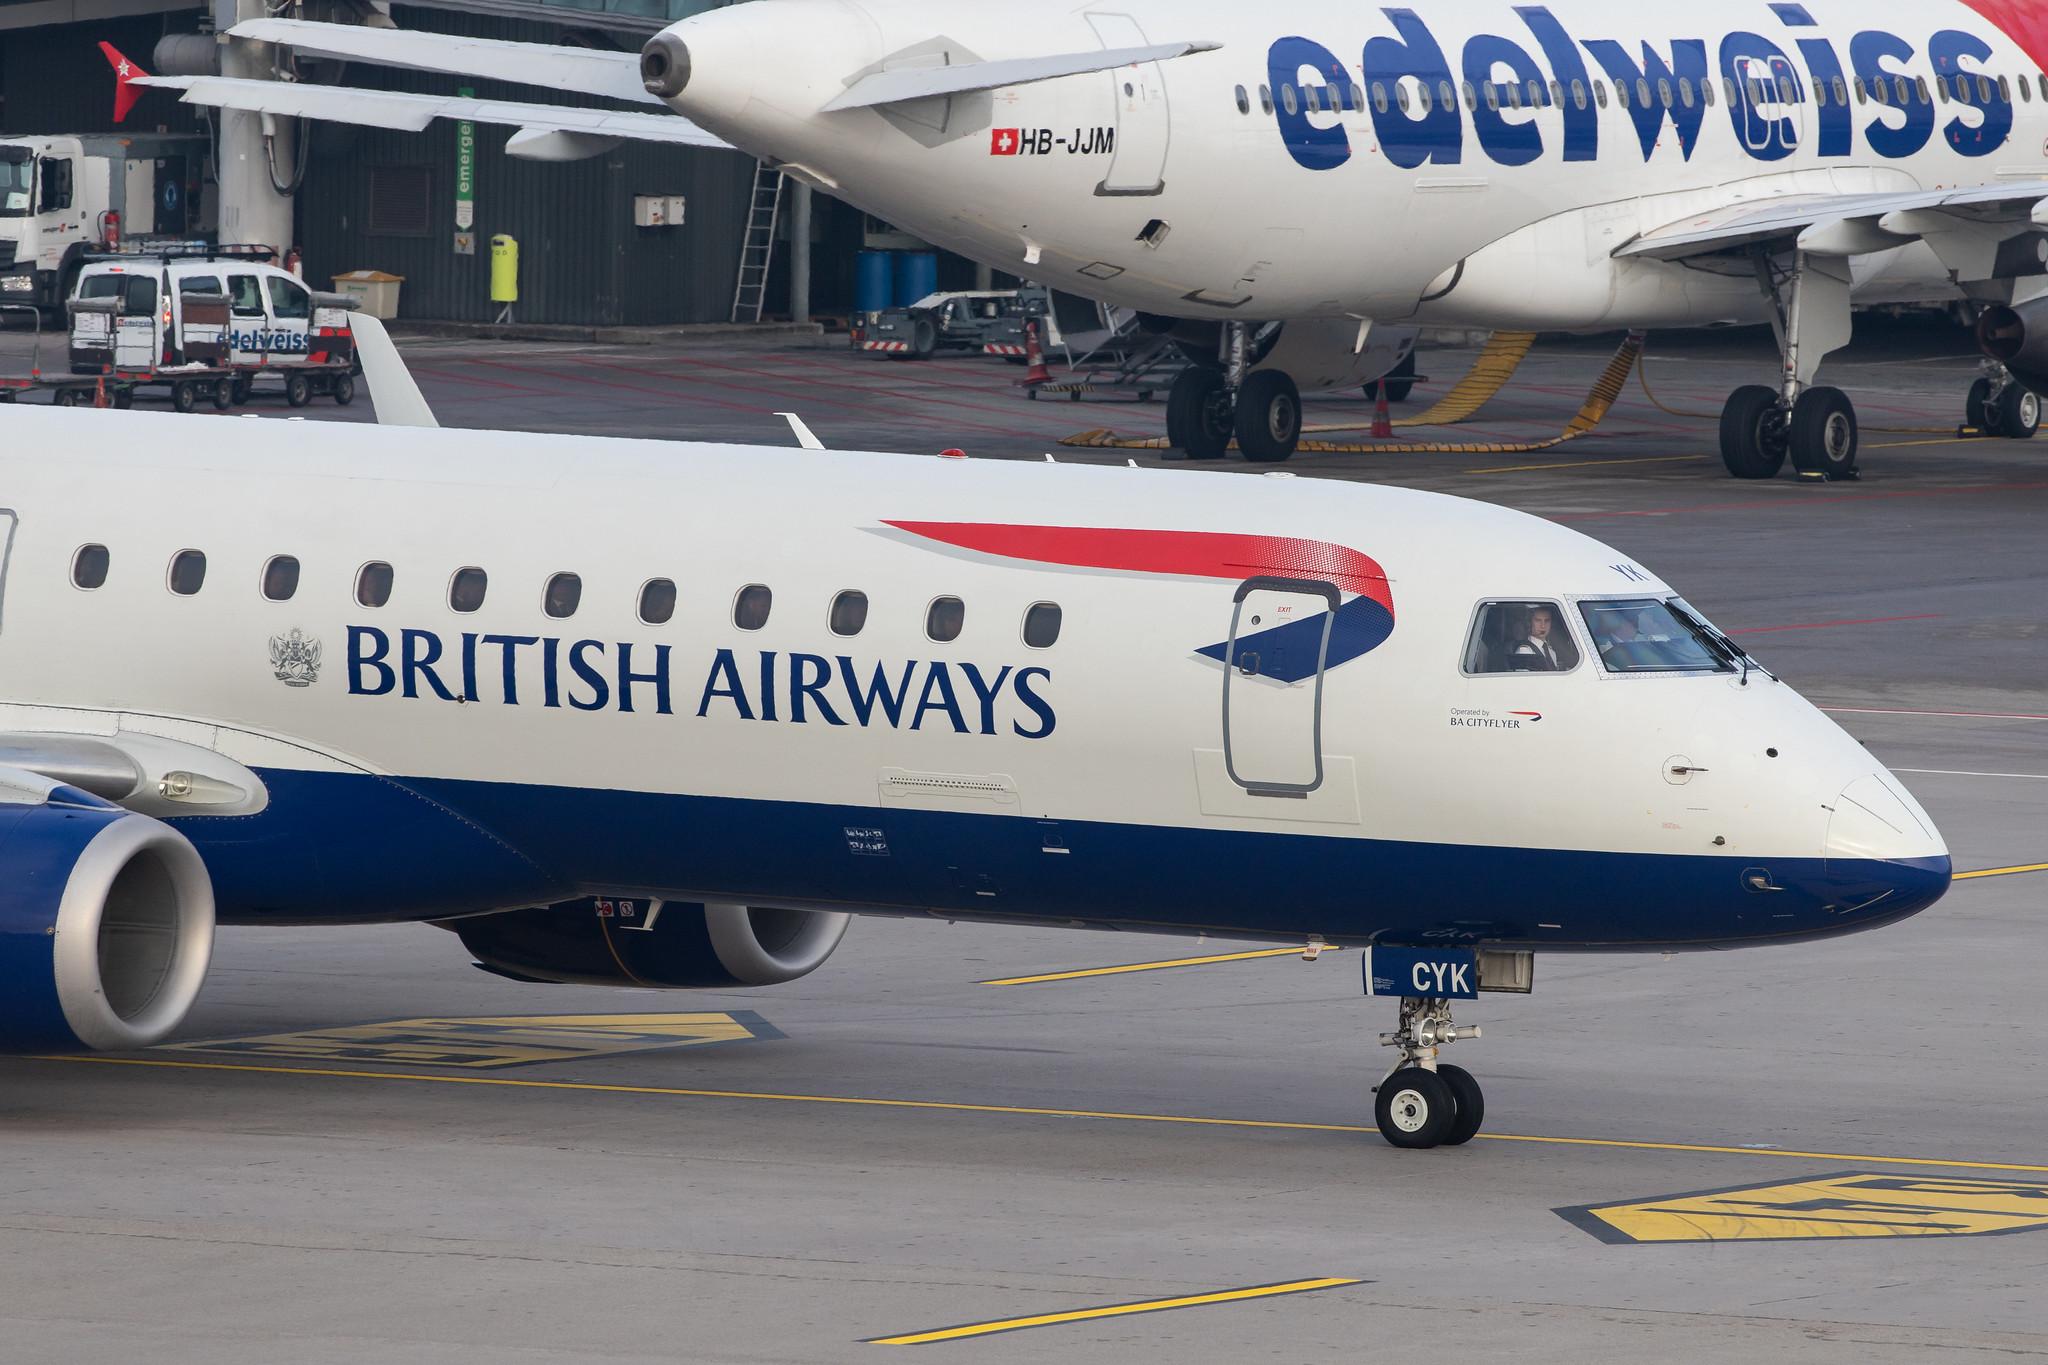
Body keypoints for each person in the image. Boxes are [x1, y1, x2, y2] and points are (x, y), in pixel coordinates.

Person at [1508, 604, 1566, 670]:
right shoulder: (1524, 651)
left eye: (1547, 621)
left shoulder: (1551, 652)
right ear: (1529, 623)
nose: (1543, 626)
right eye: (1538, 620)